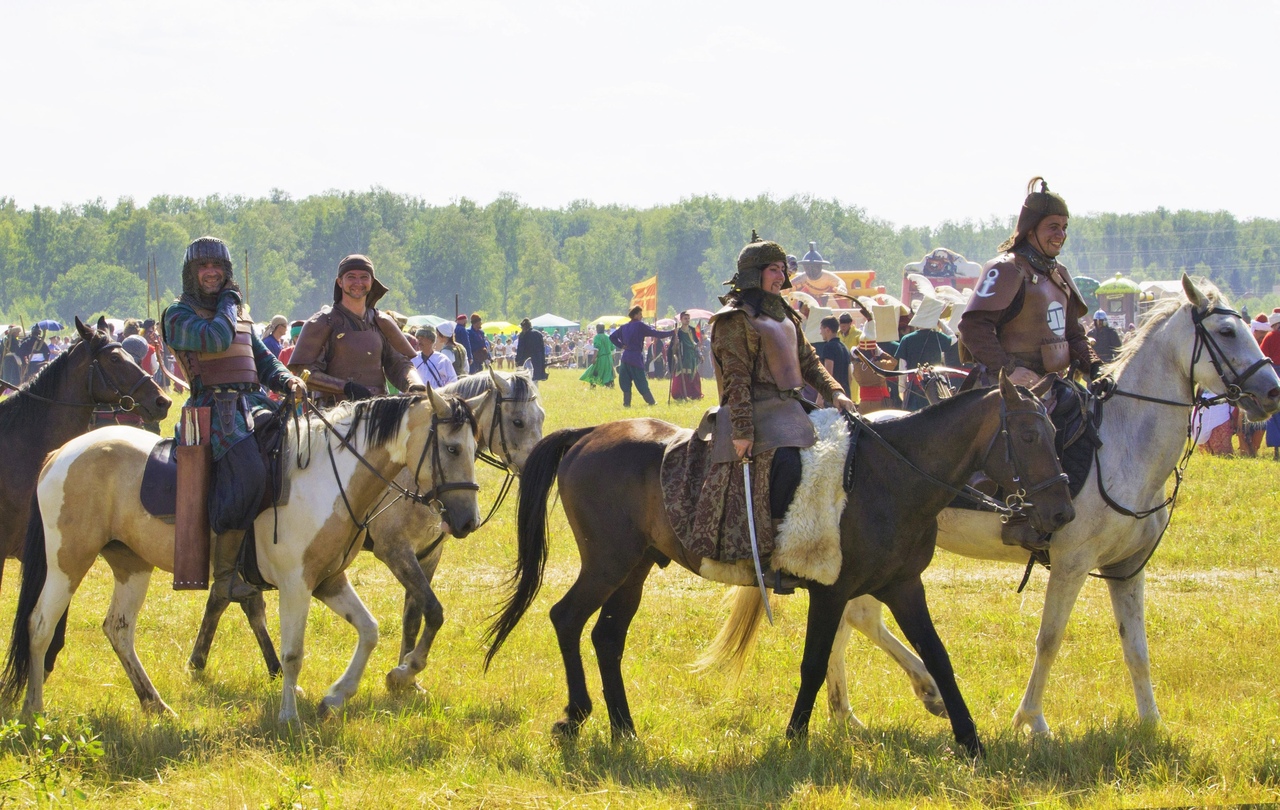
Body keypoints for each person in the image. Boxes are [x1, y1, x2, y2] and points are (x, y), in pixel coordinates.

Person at [698, 232, 854, 587]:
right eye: (773, 269)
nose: (781, 277)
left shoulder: (785, 314)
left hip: (789, 406)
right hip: (752, 410)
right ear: (753, 272)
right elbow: (735, 380)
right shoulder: (734, 320)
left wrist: (835, 391)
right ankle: (767, 554)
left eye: (783, 269)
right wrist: (742, 432)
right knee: (786, 462)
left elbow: (809, 361)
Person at [162, 236, 306, 602]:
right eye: (203, 267)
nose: (211, 273)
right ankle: (226, 576)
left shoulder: (238, 314)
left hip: (252, 404)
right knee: (249, 473)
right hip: (211, 412)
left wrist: (286, 378)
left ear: (225, 271)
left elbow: (262, 358)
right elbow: (216, 339)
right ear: (191, 273)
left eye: (217, 267)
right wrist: (230, 299)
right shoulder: (178, 315)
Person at [957, 177, 1099, 389]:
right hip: (1007, 391)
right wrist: (1008, 370)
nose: (1061, 234)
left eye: (1064, 227)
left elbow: (1073, 335)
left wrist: (1097, 368)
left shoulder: (1060, 274)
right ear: (1031, 229)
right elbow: (973, 327)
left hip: (1053, 385)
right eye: (1053, 227)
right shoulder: (1007, 268)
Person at [288, 254, 425, 405]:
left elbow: (399, 364)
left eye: (364, 277)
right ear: (340, 282)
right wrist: (346, 387)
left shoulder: (382, 322)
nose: (358, 282)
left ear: (372, 282)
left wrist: (415, 385)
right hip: (333, 413)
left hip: (378, 409)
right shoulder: (321, 322)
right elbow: (305, 373)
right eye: (351, 277)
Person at [895, 297, 956, 411]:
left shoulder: (906, 339)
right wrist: (939, 323)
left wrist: (901, 390)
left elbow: (902, 368)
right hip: (937, 387)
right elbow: (953, 338)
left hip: (914, 387)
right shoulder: (938, 337)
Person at [610, 306, 673, 407]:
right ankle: (651, 402)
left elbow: (612, 337)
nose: (641, 316)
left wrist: (621, 345)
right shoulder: (639, 325)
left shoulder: (624, 327)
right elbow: (656, 333)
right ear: (635, 315)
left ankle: (626, 403)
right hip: (635, 358)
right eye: (640, 314)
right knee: (641, 380)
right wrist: (672, 332)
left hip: (625, 358)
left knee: (625, 381)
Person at [815, 316, 851, 407]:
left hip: (832, 397)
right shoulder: (844, 347)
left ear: (827, 329)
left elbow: (828, 374)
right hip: (845, 394)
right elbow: (850, 376)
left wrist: (820, 397)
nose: (820, 332)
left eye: (821, 329)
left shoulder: (829, 347)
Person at [669, 311, 703, 400]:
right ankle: (680, 394)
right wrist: (675, 344)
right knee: (681, 375)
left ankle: (695, 394)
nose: (687, 320)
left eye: (688, 318)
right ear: (681, 320)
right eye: (685, 318)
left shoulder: (692, 330)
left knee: (693, 375)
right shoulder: (678, 332)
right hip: (683, 356)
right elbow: (672, 348)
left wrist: (700, 354)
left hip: (692, 356)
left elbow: (695, 344)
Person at [579, 323, 615, 388]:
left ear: (597, 329)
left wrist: (593, 358)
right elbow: (613, 349)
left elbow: (596, 348)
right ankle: (610, 386)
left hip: (601, 358)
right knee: (607, 373)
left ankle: (593, 386)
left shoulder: (597, 337)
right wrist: (612, 359)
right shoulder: (608, 336)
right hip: (608, 359)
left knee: (593, 371)